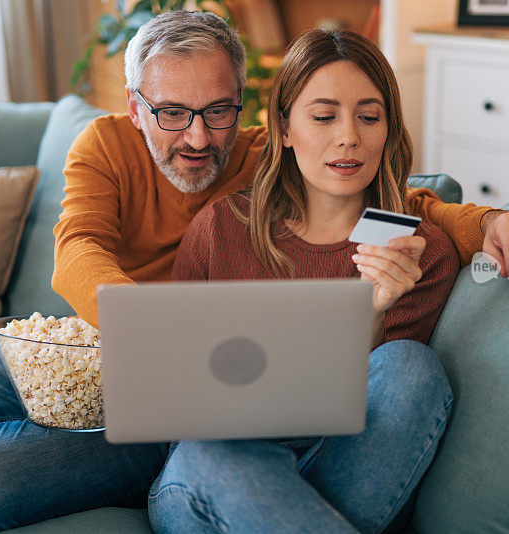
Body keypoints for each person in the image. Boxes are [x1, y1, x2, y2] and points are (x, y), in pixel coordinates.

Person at [0, 10, 509, 532]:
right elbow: (77, 249)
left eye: (217, 111)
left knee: (376, 382)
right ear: (135, 107)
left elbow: (387, 193)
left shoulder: (268, 156)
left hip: (210, 418)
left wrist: (490, 222)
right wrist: (153, 331)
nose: (198, 137)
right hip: (105, 353)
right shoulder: (106, 147)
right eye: (171, 112)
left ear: (245, 108)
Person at [152, 27, 457, 533]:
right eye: (323, 116)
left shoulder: (415, 252)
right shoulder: (222, 228)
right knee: (217, 452)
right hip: (208, 474)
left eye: (369, 116)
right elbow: (174, 400)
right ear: (285, 128)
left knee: (410, 365)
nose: (349, 137)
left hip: (334, 469)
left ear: (388, 129)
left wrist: (374, 311)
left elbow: (379, 422)